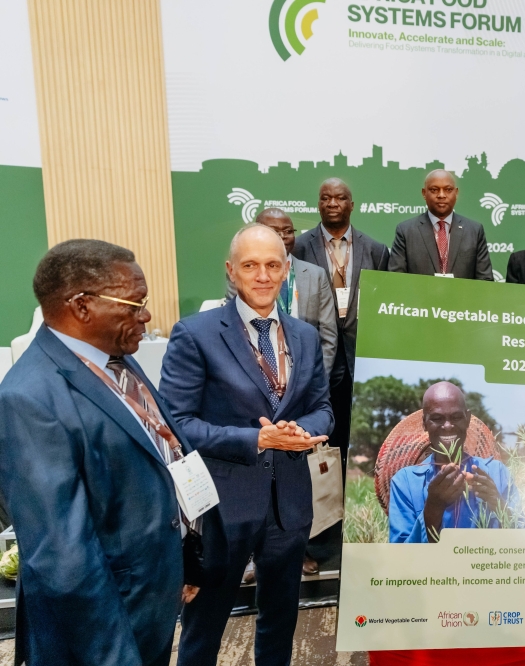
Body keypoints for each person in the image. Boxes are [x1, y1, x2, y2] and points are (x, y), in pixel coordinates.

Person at [0, 239, 226, 666]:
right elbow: (63, 556)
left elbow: (157, 457)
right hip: (103, 631)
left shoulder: (117, 359)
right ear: (82, 306)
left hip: (151, 600)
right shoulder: (29, 399)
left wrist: (183, 563)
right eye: (133, 303)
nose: (147, 315)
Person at [160, 225, 333, 666]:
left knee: (280, 623)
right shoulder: (195, 334)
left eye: (272, 265)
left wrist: (301, 430)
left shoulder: (305, 336)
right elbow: (175, 425)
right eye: (250, 265)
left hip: (289, 505)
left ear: (286, 270)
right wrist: (254, 439)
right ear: (231, 271)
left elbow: (323, 408)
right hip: (222, 508)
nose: (262, 276)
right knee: (205, 628)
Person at [293, 178, 389, 573]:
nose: (332, 203)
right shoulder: (299, 247)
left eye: (340, 198)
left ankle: (363, 530)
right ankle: (318, 536)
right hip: (317, 362)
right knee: (319, 448)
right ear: (318, 203)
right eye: (325, 198)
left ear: (353, 203)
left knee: (361, 445)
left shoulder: (376, 249)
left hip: (364, 358)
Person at [388, 382, 521, 543]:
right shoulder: (405, 482)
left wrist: (499, 505)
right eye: (437, 418)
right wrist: (433, 508)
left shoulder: (496, 473)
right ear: (424, 423)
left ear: (468, 419)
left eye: (456, 417)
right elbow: (399, 557)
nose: (448, 426)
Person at [227, 208, 337, 377]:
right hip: (254, 374)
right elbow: (234, 329)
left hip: (305, 375)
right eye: (275, 232)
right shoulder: (243, 275)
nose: (283, 237)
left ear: (285, 270)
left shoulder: (316, 274)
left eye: (288, 231)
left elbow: (328, 337)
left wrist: (315, 379)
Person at [388, 169, 493, 280]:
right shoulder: (406, 231)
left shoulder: (474, 231)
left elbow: (485, 281)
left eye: (448, 190)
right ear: (424, 193)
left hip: (463, 297)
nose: (441, 195)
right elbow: (396, 280)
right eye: (434, 190)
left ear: (456, 193)